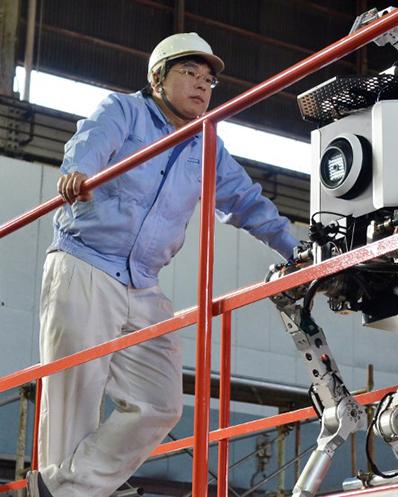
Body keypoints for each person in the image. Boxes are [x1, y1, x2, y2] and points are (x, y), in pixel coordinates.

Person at [26, 32, 299, 497]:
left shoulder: (205, 144)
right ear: (157, 78)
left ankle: (67, 489)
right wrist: (79, 174)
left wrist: (296, 249)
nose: (202, 86)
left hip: (143, 285)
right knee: (74, 399)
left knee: (160, 401)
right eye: (189, 73)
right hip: (86, 264)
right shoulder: (124, 111)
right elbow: (89, 143)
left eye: (209, 79)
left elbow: (248, 202)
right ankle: (76, 489)